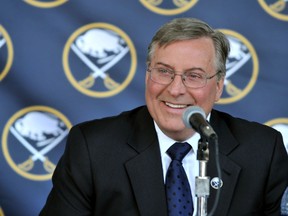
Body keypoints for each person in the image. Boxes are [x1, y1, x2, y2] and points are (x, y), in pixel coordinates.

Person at [39, 18, 288, 216]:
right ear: (147, 76)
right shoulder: (93, 148)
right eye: (164, 71)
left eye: (194, 75)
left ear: (219, 86)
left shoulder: (263, 150)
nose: (176, 89)